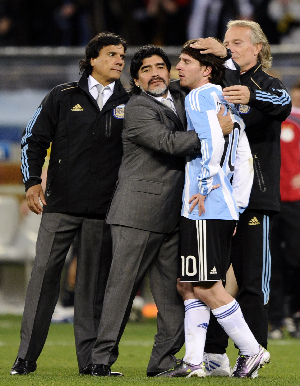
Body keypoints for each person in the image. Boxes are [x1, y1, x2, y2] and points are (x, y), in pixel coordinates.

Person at [89, 44, 234, 377]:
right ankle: (100, 361)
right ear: (137, 81)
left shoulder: (184, 102)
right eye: (145, 69)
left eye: (160, 66)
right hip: (137, 215)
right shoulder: (137, 107)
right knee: (121, 290)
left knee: (174, 295)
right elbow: (168, 143)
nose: (154, 73)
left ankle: (163, 362)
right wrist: (215, 131)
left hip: (174, 215)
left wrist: (224, 55)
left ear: (169, 71)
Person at [10, 31, 129, 376]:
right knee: (43, 278)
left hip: (103, 209)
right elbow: (33, 139)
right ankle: (25, 358)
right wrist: (32, 182)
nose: (119, 60)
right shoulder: (62, 96)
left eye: (122, 55)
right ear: (92, 59)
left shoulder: (129, 101)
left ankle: (91, 363)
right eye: (111, 54)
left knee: (91, 288)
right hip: (59, 205)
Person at [156, 39, 271, 379]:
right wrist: (232, 203)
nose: (178, 67)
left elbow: (214, 142)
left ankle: (252, 351)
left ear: (205, 69)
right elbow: (238, 148)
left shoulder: (199, 95)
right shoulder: (221, 96)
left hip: (205, 203)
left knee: (206, 285)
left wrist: (207, 189)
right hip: (212, 204)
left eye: (185, 61)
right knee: (189, 284)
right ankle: (194, 361)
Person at [202, 20, 292, 376]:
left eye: (237, 43)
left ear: (257, 47)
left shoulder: (267, 85)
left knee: (253, 281)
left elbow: (282, 104)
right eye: (226, 43)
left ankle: (252, 354)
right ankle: (213, 354)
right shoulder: (217, 82)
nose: (230, 48)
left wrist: (251, 95)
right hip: (216, 196)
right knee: (211, 278)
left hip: (256, 197)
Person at [268, 80, 300, 339]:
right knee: (271, 262)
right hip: (270, 199)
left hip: (296, 200)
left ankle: (293, 313)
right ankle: (276, 319)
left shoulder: (295, 121)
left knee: (295, 259)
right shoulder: (269, 119)